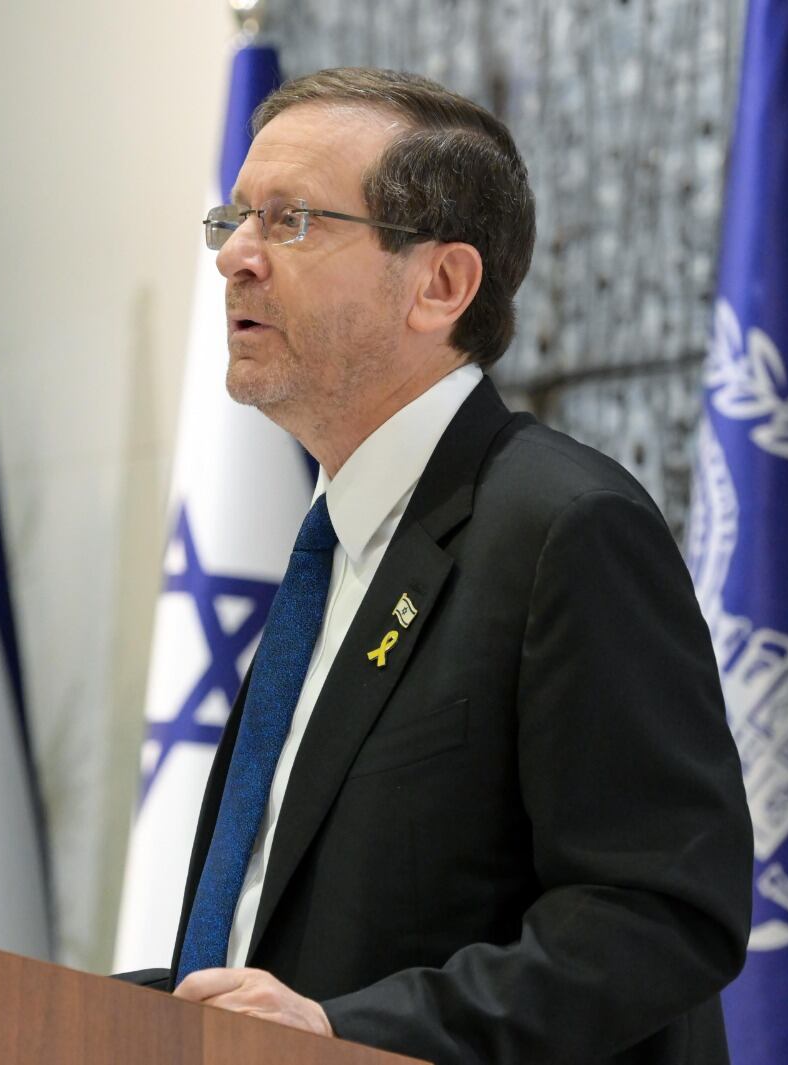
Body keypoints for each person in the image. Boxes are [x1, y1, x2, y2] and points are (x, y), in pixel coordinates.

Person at [116, 68, 753, 1065]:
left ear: (440, 284)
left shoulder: (562, 529)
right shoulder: (332, 555)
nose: (235, 258)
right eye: (235, 219)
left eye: (288, 222)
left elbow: (658, 914)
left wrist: (348, 1031)